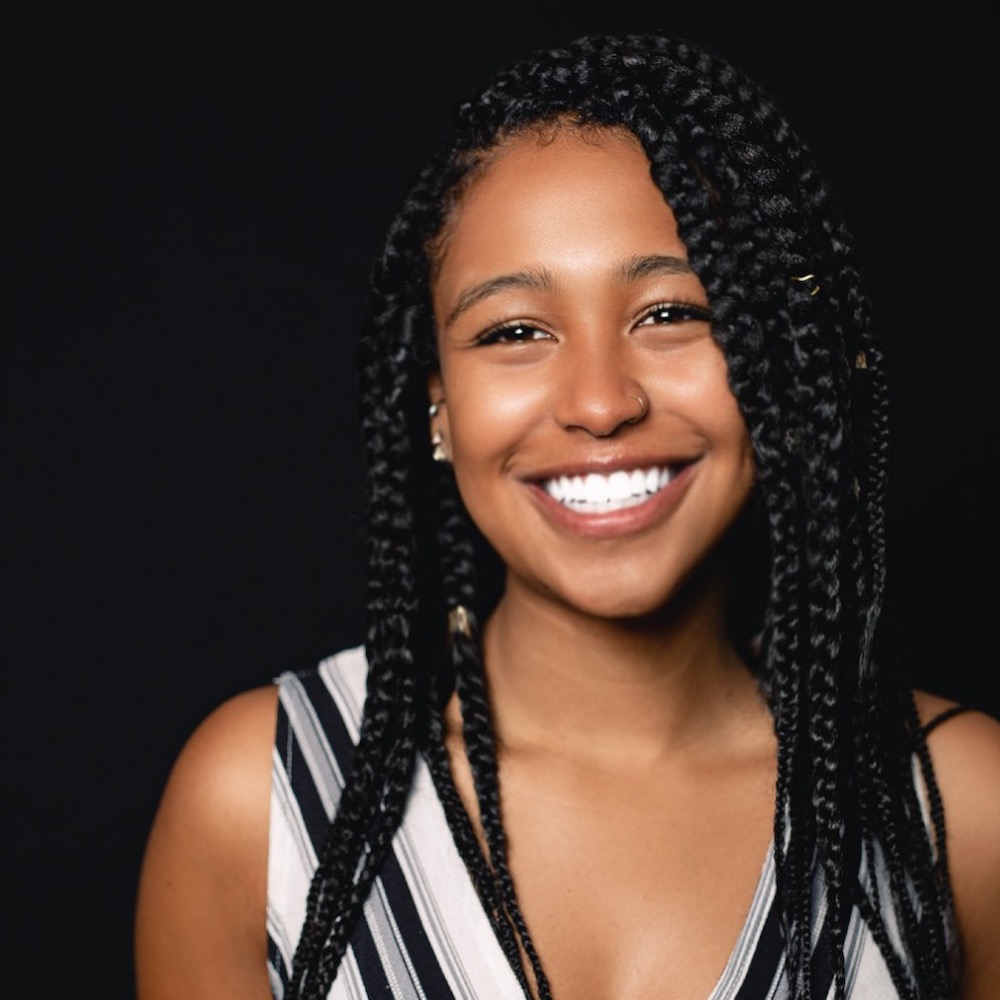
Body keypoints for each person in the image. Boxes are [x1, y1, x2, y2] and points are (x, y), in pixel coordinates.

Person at [133, 31, 1000, 1000]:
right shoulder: (267, 797)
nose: (599, 401)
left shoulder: (959, 813)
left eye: (674, 312)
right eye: (514, 332)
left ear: (778, 365)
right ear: (437, 407)